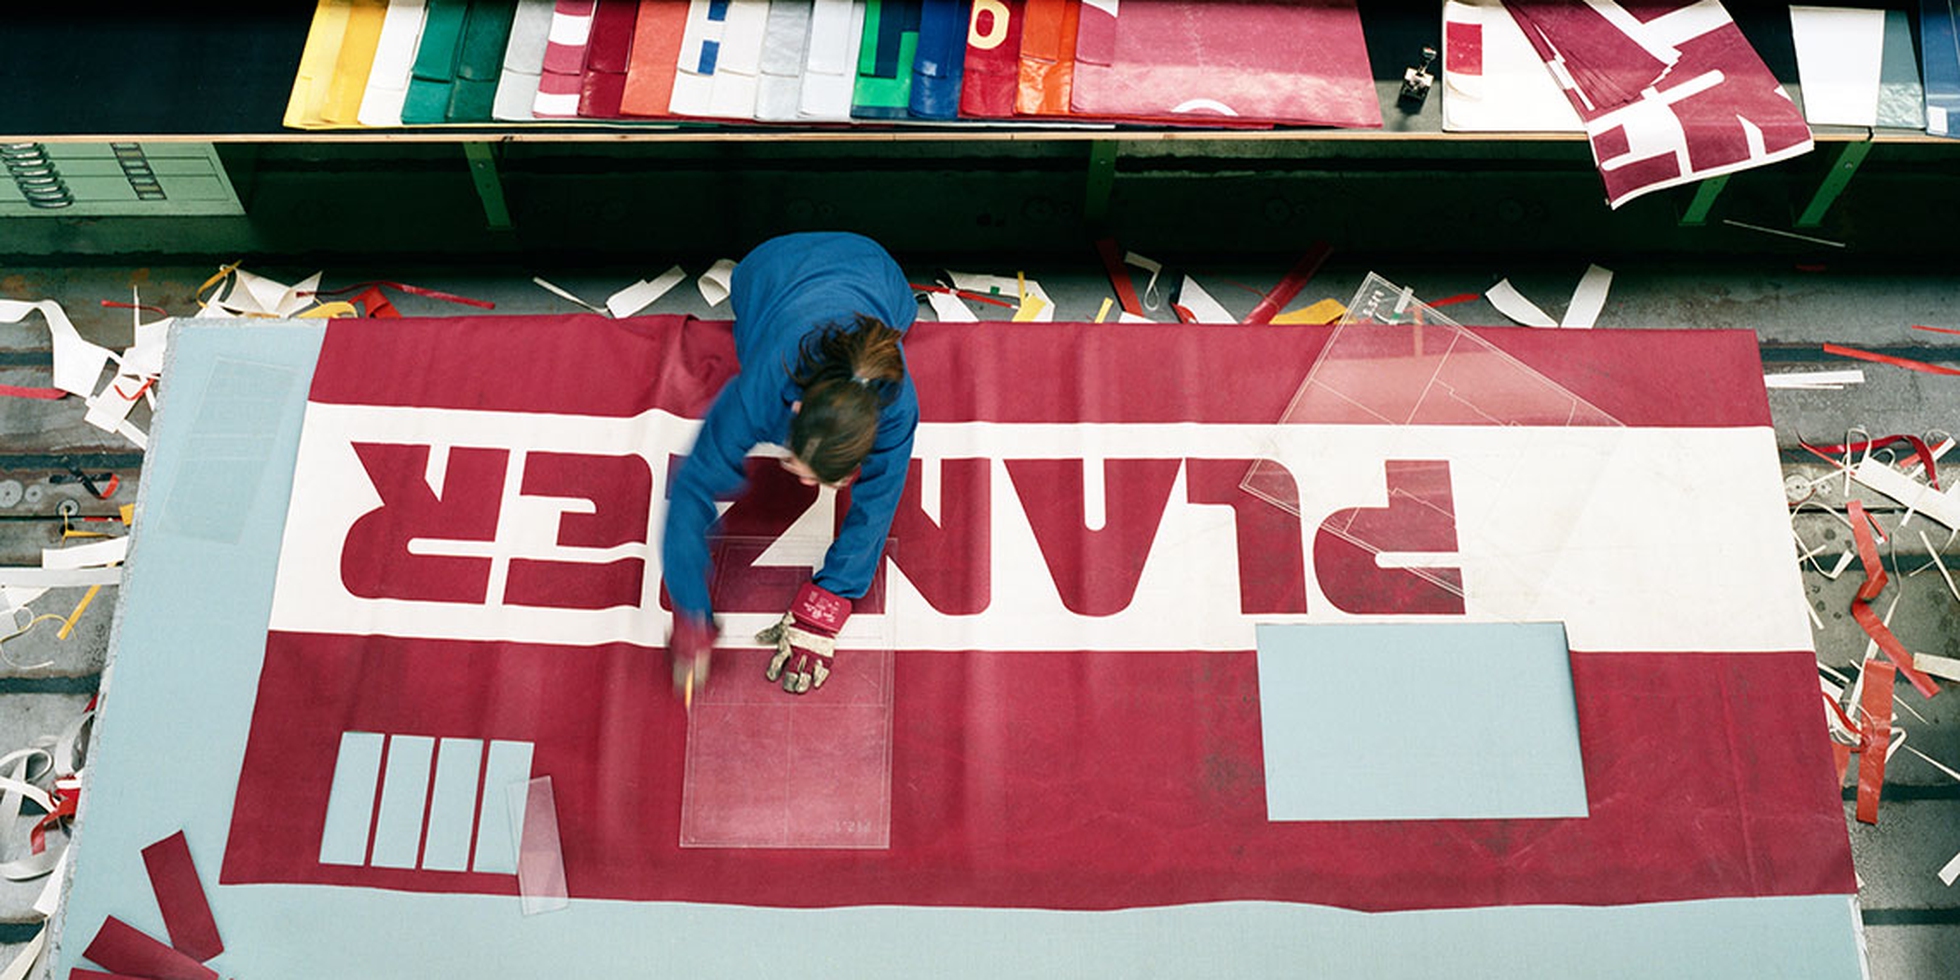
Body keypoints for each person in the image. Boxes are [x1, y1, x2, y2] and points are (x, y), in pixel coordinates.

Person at [662, 232, 918, 696]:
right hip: (768, 269)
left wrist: (833, 596)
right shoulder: (759, 392)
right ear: (795, 411)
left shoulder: (896, 407)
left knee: (900, 317)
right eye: (801, 465)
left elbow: (879, 498)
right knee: (755, 339)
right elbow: (690, 488)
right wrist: (691, 611)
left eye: (826, 479)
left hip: (876, 267)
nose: (803, 481)